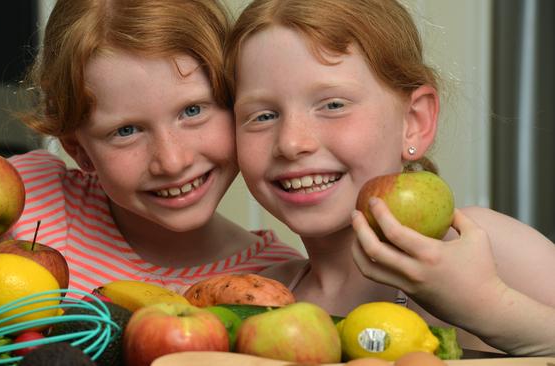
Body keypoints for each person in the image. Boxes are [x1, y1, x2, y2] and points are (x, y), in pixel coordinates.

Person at [225, 0, 555, 356]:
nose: (291, 143)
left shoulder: (481, 246)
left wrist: (487, 306)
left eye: (333, 105)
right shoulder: (267, 293)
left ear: (414, 122)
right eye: (262, 116)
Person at [0, 0, 302, 295]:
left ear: (235, 100)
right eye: (127, 130)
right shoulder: (31, 198)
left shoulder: (278, 278)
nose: (172, 160)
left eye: (193, 110)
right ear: (79, 150)